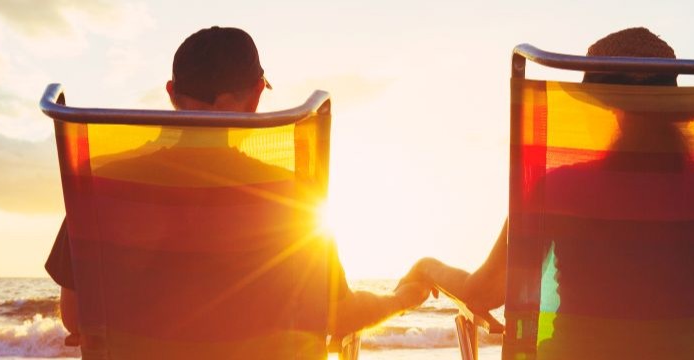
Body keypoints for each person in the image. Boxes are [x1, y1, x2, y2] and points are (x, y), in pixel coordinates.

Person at [45, 26, 431, 355]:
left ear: (171, 93)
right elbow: (337, 314)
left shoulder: (108, 188)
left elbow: (76, 316)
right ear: (258, 94)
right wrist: (400, 300)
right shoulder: (289, 197)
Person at [411, 27, 694, 358]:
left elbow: (484, 293)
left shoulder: (559, 188)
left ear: (611, 110)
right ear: (673, 107)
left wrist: (428, 268)